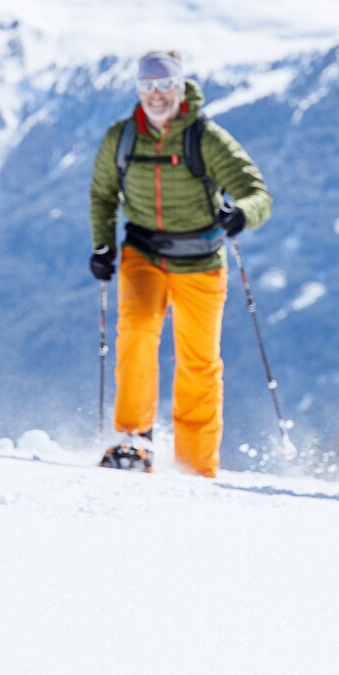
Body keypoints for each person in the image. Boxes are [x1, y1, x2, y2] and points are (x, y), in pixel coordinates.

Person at [88, 50, 272, 476]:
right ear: (137, 90)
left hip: (202, 261)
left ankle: (196, 465)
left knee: (199, 361)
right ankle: (133, 441)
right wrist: (103, 247)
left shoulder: (205, 137)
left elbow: (256, 192)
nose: (156, 94)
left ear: (181, 87)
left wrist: (242, 213)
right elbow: (102, 195)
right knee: (135, 331)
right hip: (143, 254)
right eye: (147, 86)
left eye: (165, 84)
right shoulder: (122, 138)